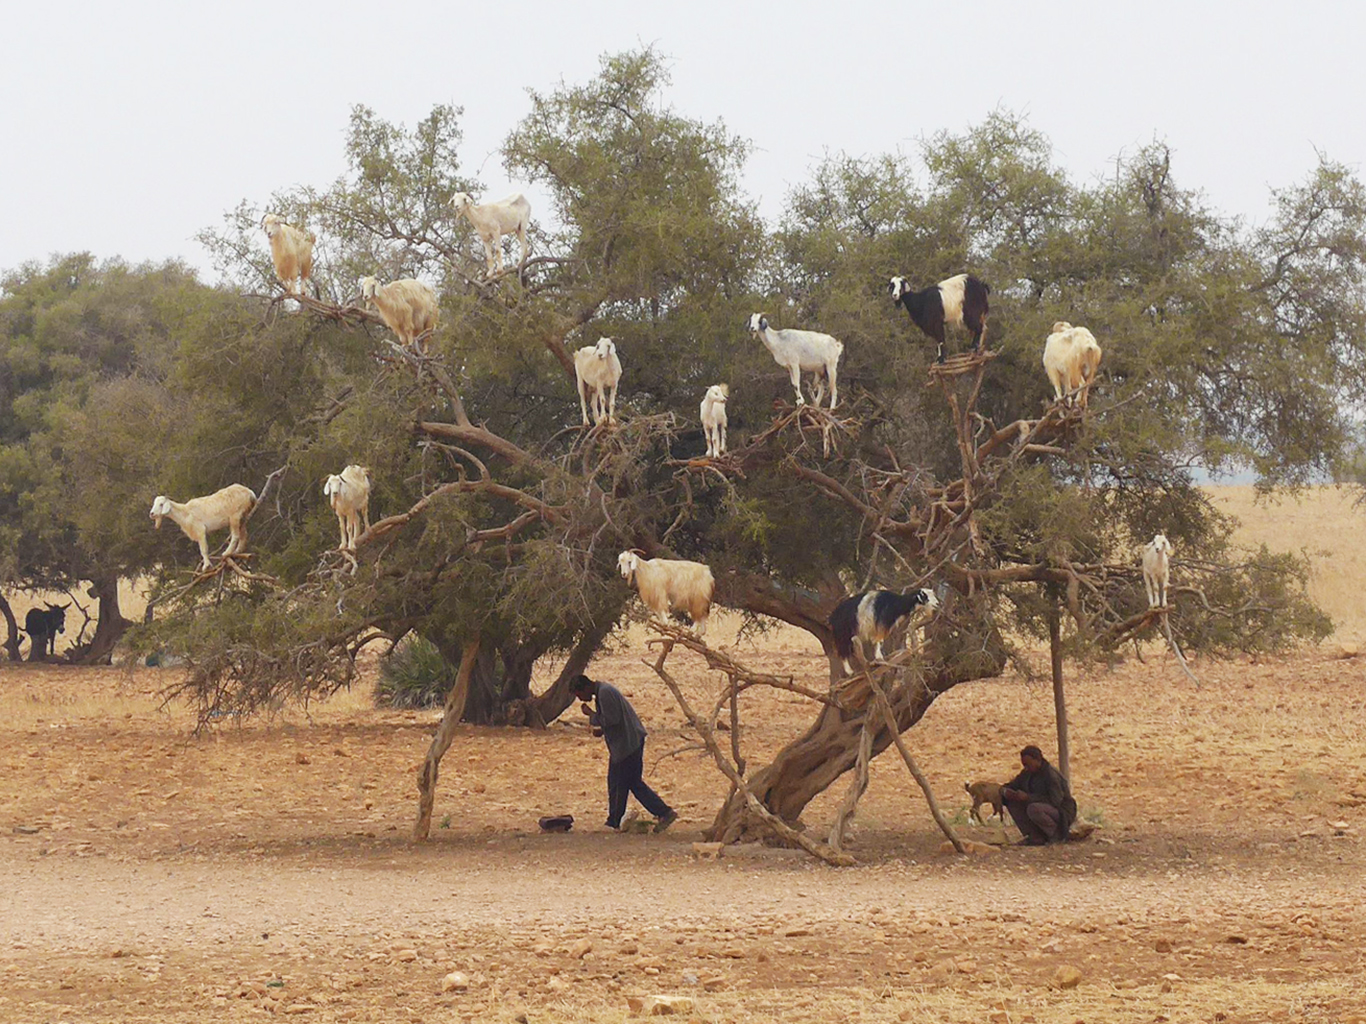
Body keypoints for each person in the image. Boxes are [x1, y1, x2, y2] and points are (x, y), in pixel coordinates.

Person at [570, 674, 678, 833]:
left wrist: (592, 716)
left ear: (585, 687)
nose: (580, 699)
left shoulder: (605, 693)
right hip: (628, 742)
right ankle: (662, 812)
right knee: (629, 782)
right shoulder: (602, 692)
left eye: (579, 695)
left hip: (627, 744)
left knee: (619, 782)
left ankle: (615, 821)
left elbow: (612, 720)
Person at [1000, 744, 1077, 845]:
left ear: (1037, 760)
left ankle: (1056, 835)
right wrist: (1005, 792)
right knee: (1012, 803)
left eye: (1028, 764)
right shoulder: (1027, 774)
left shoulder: (1050, 775)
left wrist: (1028, 797)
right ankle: (1034, 836)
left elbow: (1056, 800)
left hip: (1062, 811)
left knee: (1034, 808)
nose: (1026, 767)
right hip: (1041, 806)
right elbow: (1013, 784)